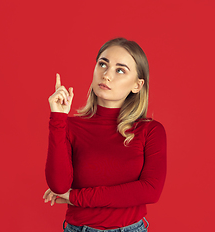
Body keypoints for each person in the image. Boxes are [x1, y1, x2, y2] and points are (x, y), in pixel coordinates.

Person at [43, 38, 167, 232]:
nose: (107, 75)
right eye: (103, 64)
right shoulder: (70, 126)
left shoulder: (150, 131)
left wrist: (76, 197)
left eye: (120, 70)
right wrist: (58, 118)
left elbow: (150, 191)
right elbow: (59, 186)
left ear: (137, 85)